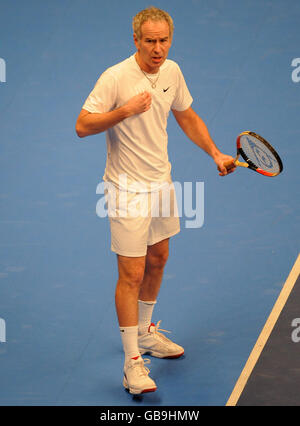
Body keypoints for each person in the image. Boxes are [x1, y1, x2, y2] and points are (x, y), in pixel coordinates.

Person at [75, 6, 236, 395]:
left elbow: (186, 115)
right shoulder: (115, 77)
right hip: (127, 190)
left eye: (164, 40)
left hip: (161, 183)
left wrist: (215, 153)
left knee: (159, 258)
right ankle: (132, 364)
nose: (158, 48)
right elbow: (83, 125)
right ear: (136, 40)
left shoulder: (172, 71)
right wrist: (124, 110)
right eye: (150, 41)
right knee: (130, 274)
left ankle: (146, 333)